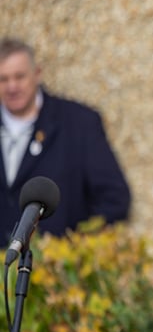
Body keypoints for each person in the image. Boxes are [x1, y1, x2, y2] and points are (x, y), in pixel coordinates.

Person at [0, 37, 131, 247]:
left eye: (19, 76)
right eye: (3, 79)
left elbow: (114, 198)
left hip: (56, 271)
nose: (12, 86)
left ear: (37, 74)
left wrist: (75, 250)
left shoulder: (79, 123)